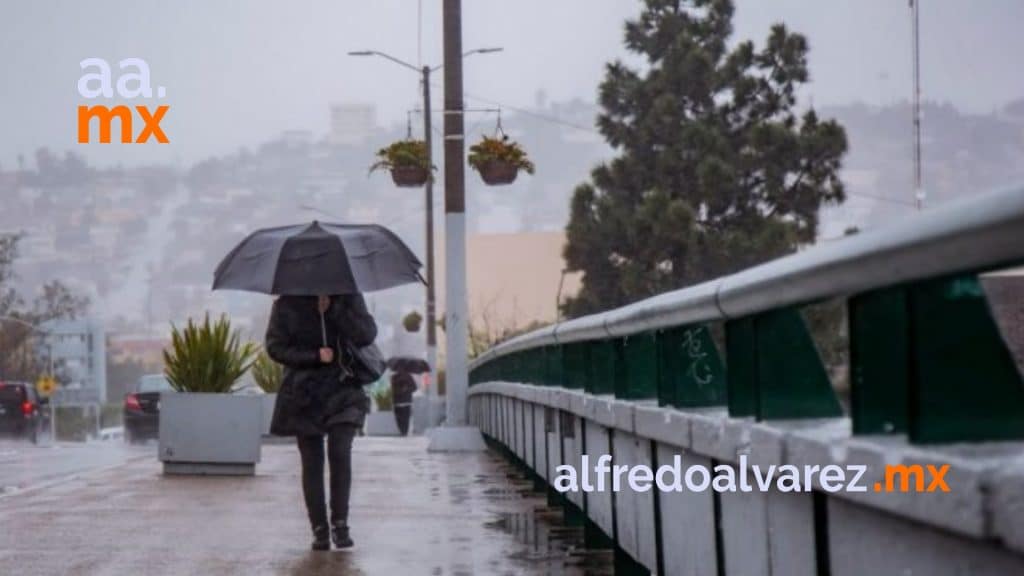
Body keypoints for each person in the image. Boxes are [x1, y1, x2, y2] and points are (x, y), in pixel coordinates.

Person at [265, 293, 377, 551]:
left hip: (344, 388)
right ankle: (319, 529)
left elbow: (367, 334)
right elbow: (274, 347)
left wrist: (335, 309)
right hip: (304, 393)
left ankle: (340, 523)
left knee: (340, 452)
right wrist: (314, 355)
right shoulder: (286, 304)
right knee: (312, 461)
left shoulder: (348, 295)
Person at [390, 370, 417, 436]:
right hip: (397, 402)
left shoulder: (408, 377)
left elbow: (414, 388)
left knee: (405, 418)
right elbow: (392, 389)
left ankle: (404, 432)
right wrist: (400, 390)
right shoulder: (394, 377)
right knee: (399, 419)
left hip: (406, 402)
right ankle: (402, 431)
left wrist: (407, 388)